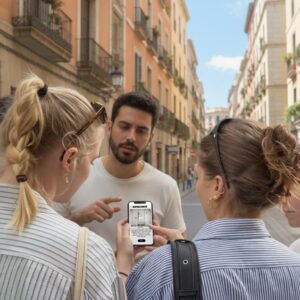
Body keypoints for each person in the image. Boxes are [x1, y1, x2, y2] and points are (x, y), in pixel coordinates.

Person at [126, 118, 300, 299]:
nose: (198, 185)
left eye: (199, 176)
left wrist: (123, 266)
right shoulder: (296, 268)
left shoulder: (160, 271)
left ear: (218, 186)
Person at [0, 74, 130, 299]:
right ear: (69, 159)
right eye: (91, 161)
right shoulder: (86, 252)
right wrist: (122, 269)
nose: (91, 169)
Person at [53, 91, 186, 249]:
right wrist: (80, 217)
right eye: (124, 126)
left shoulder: (166, 186)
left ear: (150, 137)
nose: (131, 137)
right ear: (109, 127)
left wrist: (167, 249)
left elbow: (180, 245)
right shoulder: (75, 176)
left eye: (141, 131)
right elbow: (49, 238)